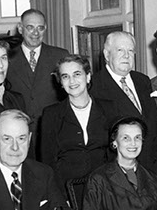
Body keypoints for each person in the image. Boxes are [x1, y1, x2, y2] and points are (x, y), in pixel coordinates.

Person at [89, 31, 157, 179]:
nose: (126, 55)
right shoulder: (94, 86)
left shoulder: (143, 81)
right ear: (106, 54)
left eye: (130, 51)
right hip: (120, 173)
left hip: (152, 169)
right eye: (120, 50)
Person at [40, 54, 113, 192]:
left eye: (77, 74)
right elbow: (48, 162)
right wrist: (59, 199)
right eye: (65, 76)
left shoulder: (109, 109)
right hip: (69, 192)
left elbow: (116, 154)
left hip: (106, 190)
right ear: (60, 82)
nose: (72, 81)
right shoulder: (51, 114)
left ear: (88, 76)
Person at [83, 116, 157, 210]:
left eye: (137, 137)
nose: (133, 143)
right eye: (126, 138)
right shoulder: (98, 179)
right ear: (115, 143)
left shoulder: (152, 176)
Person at [6, 9, 70, 157]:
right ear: (20, 29)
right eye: (30, 27)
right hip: (18, 134)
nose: (35, 33)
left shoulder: (60, 55)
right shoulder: (7, 57)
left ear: (45, 28)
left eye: (40, 28)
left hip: (53, 132)